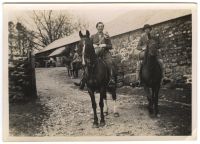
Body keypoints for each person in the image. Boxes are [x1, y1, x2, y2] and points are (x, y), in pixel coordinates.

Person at [90, 22, 116, 87]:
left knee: (110, 62)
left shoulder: (106, 36)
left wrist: (105, 45)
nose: (100, 28)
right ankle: (85, 78)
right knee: (89, 63)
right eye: (99, 26)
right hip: (96, 53)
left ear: (103, 27)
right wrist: (93, 45)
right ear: (96, 27)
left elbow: (110, 46)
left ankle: (111, 79)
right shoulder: (93, 36)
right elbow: (89, 46)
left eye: (102, 26)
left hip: (105, 53)